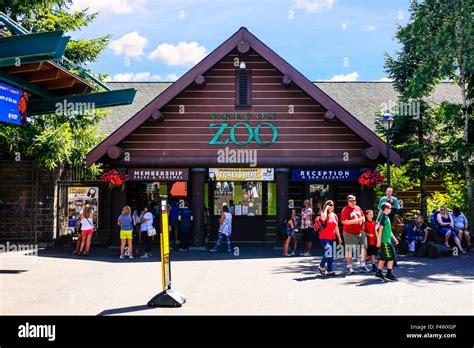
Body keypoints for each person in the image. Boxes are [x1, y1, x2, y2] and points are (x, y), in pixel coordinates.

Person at [341, 195, 370, 274]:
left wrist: (362, 222)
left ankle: (362, 266)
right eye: (351, 201)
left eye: (354, 200)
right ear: (348, 202)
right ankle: (349, 267)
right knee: (350, 250)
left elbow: (363, 217)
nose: (353, 202)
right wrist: (356, 221)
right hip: (349, 233)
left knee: (364, 248)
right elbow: (344, 221)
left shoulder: (358, 208)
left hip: (360, 232)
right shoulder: (345, 210)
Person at [375, 202, 399, 281]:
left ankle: (379, 272)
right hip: (385, 241)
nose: (391, 209)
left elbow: (389, 230)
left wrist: (394, 239)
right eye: (389, 208)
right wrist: (378, 240)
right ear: (386, 208)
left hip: (388, 240)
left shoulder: (386, 217)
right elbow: (380, 229)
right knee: (391, 257)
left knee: (383, 257)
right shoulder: (383, 217)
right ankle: (389, 273)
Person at [318, 200, 342, 276]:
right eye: (330, 205)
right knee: (329, 250)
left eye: (333, 205)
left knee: (331, 254)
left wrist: (339, 237)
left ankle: (329, 270)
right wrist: (325, 209)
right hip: (324, 237)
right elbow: (323, 218)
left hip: (333, 237)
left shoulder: (335, 215)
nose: (332, 206)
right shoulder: (323, 213)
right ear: (327, 205)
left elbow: (336, 227)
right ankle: (321, 266)